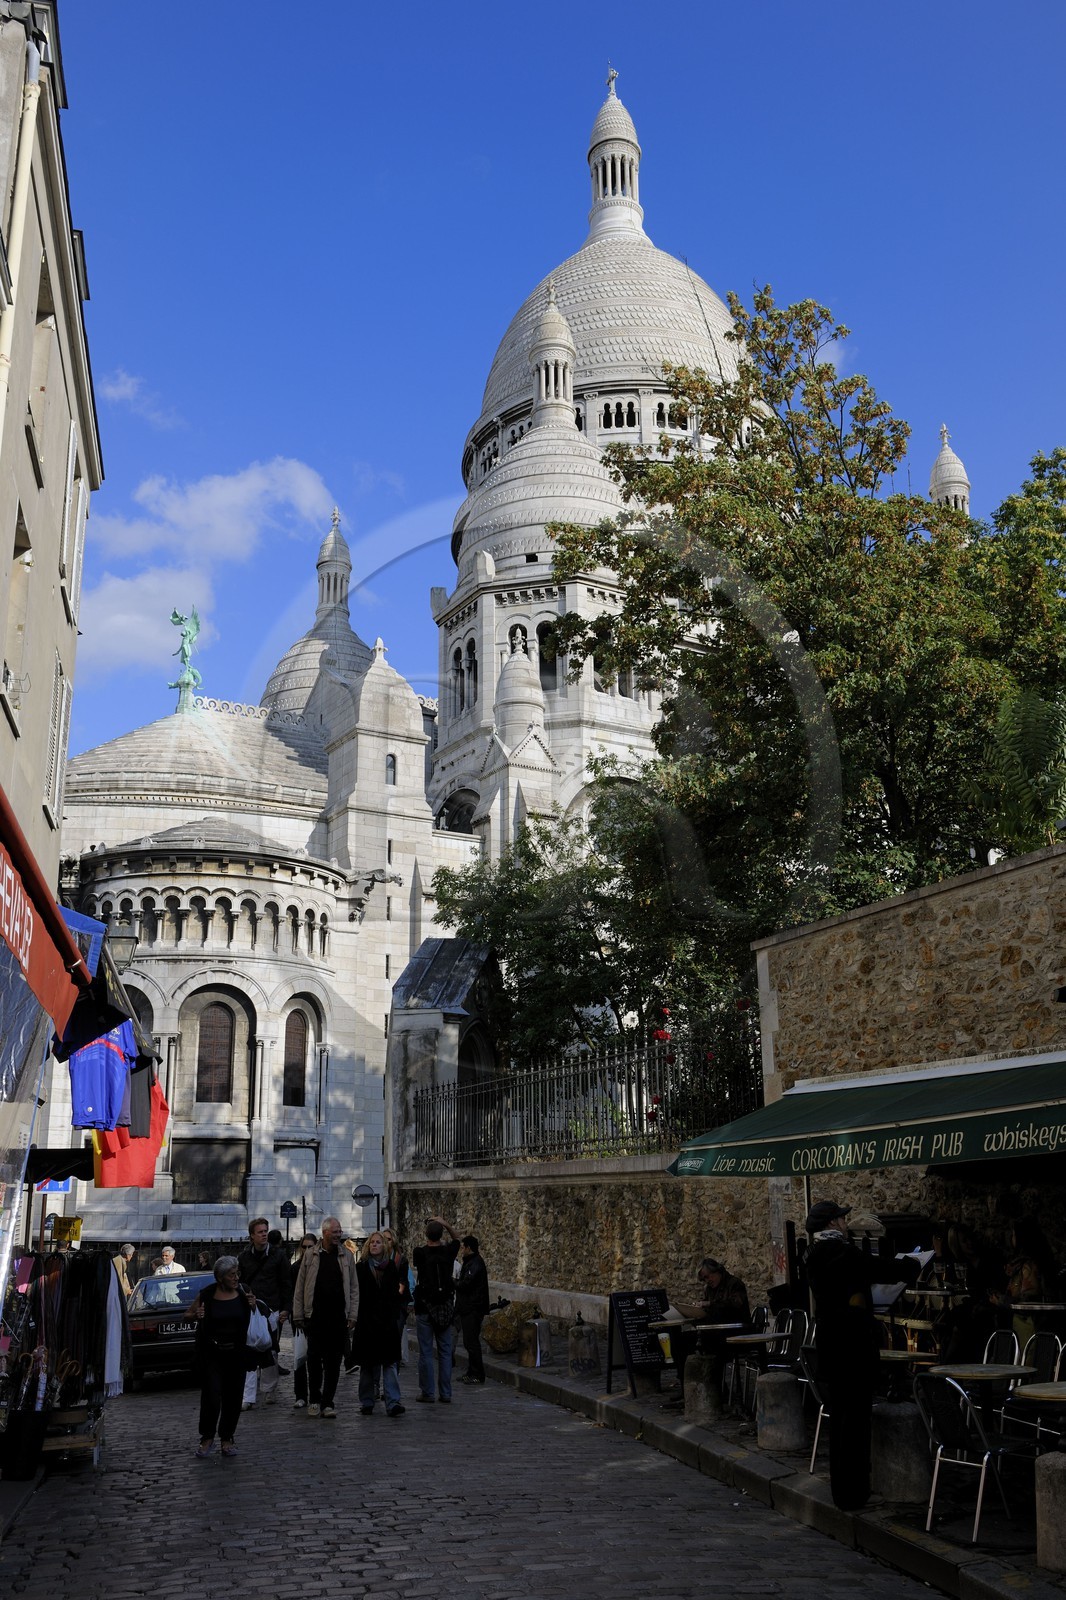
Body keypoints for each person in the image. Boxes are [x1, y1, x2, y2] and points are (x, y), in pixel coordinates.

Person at [804, 1199, 880, 1512]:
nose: (845, 1223)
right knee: (855, 1419)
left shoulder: (812, 1253)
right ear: (833, 1223)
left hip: (831, 1345)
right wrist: (914, 1264)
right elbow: (876, 1269)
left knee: (841, 1420)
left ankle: (843, 1490)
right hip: (851, 1345)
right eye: (841, 1219)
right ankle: (854, 1492)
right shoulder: (840, 1252)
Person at [191, 1256, 257, 1458]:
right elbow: (187, 1314)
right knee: (212, 1395)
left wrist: (253, 1305)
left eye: (237, 1273)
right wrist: (197, 1314)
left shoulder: (244, 1291)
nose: (236, 1277)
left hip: (236, 1352)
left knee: (233, 1397)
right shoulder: (208, 1294)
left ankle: (227, 1438)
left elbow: (254, 1316)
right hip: (213, 1353)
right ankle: (207, 1437)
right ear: (220, 1277)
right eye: (231, 1274)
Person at [292, 1216, 358, 1418]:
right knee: (313, 1359)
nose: (339, 1235)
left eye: (340, 1232)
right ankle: (314, 1399)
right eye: (335, 1232)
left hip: (338, 1316)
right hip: (316, 1315)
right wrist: (298, 1314)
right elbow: (300, 1287)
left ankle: (328, 1401)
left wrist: (353, 1314)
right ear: (325, 1233)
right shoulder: (311, 1255)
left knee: (333, 1361)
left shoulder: (347, 1256)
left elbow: (354, 1288)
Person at [665, 1256, 750, 1407]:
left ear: (717, 1271)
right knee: (679, 1341)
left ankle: (715, 1387)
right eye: (704, 1279)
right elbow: (707, 1312)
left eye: (708, 1276)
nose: (707, 1281)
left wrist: (710, 1304)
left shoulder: (734, 1284)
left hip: (732, 1332)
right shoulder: (709, 1289)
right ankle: (686, 1386)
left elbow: (735, 1305)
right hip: (713, 1330)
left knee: (707, 1345)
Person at [237, 1217, 292, 1405]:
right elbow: (240, 1283)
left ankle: (269, 1389)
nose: (264, 1234)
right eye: (260, 1232)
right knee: (249, 1350)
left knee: (271, 1350)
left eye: (265, 1231)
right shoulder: (244, 1257)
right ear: (252, 1235)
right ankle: (248, 1396)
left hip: (272, 1310)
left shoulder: (278, 1255)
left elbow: (286, 1283)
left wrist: (286, 1309)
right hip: (252, 1309)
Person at [352, 1232, 405, 1417]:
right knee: (367, 1365)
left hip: (386, 1324)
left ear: (384, 1246)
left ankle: (393, 1402)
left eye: (378, 1242)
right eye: (372, 1242)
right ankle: (367, 1401)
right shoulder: (361, 1268)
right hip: (367, 1323)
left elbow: (394, 1293)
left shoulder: (391, 1267)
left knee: (389, 1364)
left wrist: (393, 1313)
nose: (374, 1245)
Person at [412, 1216, 460, 1403]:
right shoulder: (448, 1252)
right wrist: (446, 1223)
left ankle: (428, 1392)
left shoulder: (420, 1253)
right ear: (441, 1234)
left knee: (425, 1352)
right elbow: (457, 1239)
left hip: (425, 1305)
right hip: (445, 1305)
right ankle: (446, 1392)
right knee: (445, 1352)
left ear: (426, 1234)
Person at [455, 1235, 490, 1385]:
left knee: (472, 1342)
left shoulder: (475, 1263)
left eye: (463, 1247)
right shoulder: (471, 1262)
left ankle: (477, 1373)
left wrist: (452, 1282)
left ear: (469, 1248)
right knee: (469, 1342)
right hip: (468, 1307)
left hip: (473, 1308)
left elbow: (466, 1284)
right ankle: (471, 1371)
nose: (462, 1250)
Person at [290, 1234, 317, 1409]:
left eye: (310, 1247)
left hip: (316, 1317)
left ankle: (315, 1393)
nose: (307, 1250)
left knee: (315, 1358)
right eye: (304, 1246)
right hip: (299, 1319)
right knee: (300, 1357)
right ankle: (300, 1395)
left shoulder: (320, 1266)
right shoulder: (295, 1269)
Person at [382, 1227, 412, 1364]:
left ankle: (394, 1366)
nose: (386, 1242)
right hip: (382, 1305)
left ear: (393, 1241)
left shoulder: (400, 1260)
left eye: (388, 1239)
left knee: (395, 1338)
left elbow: (403, 1282)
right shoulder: (378, 1258)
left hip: (397, 1304)